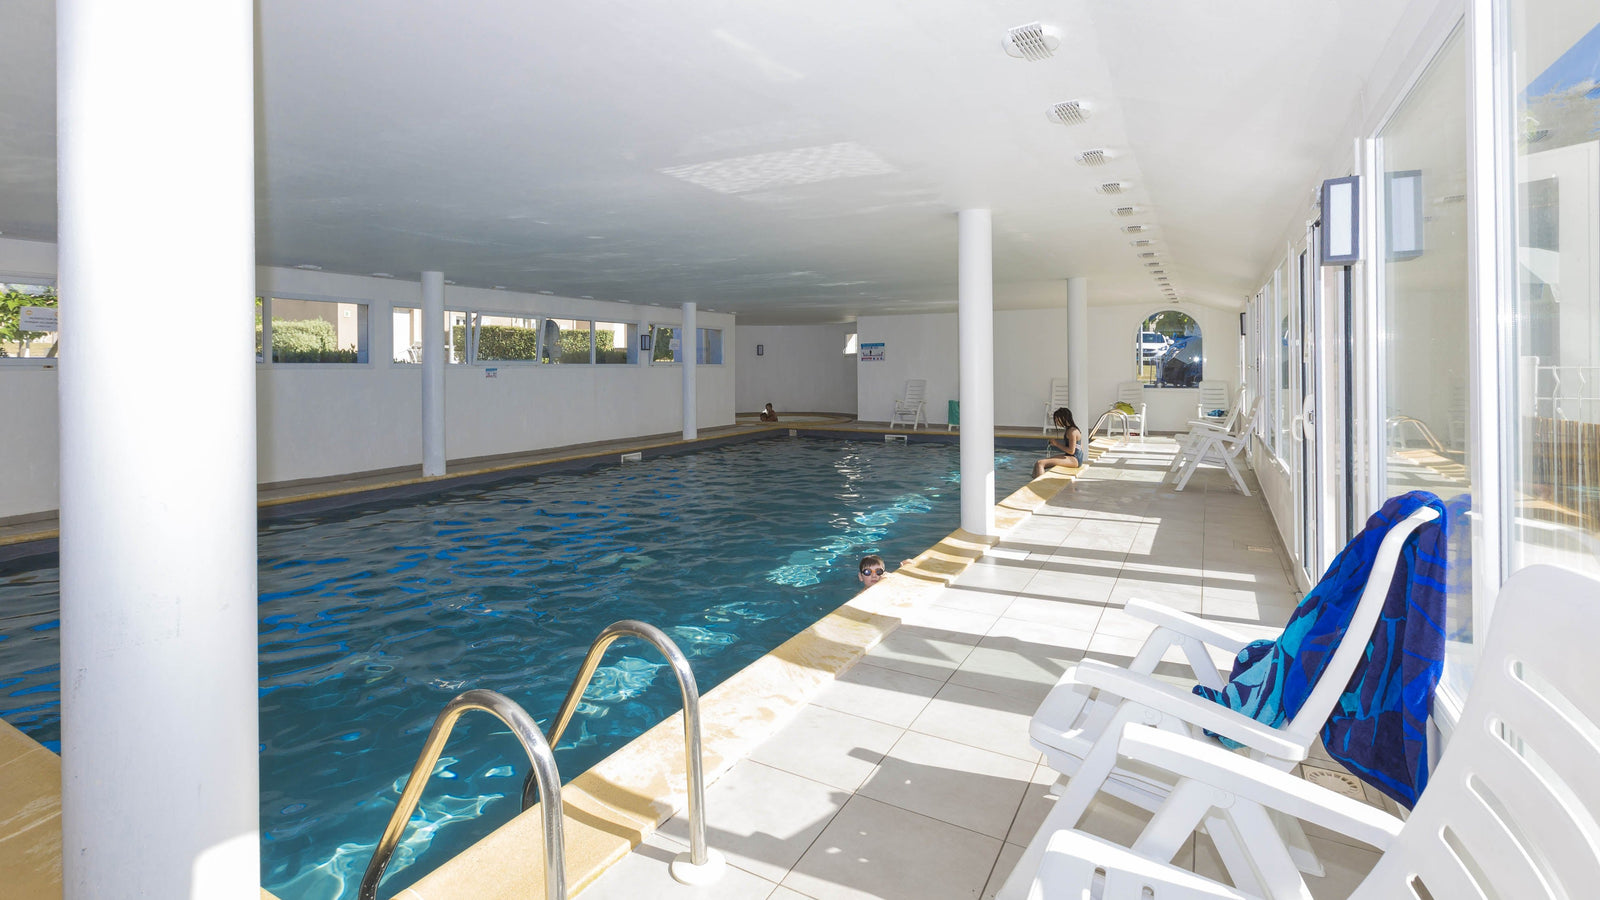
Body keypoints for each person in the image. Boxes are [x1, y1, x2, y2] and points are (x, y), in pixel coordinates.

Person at [1033, 406, 1084, 478]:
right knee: (1038, 463)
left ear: (1063, 418)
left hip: (1074, 460)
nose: (1056, 422)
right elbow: (1080, 447)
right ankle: (1033, 482)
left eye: (1057, 419)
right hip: (1073, 458)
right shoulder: (1072, 429)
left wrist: (1056, 444)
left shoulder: (1072, 431)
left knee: (1040, 464)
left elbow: (1071, 451)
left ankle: (1040, 485)